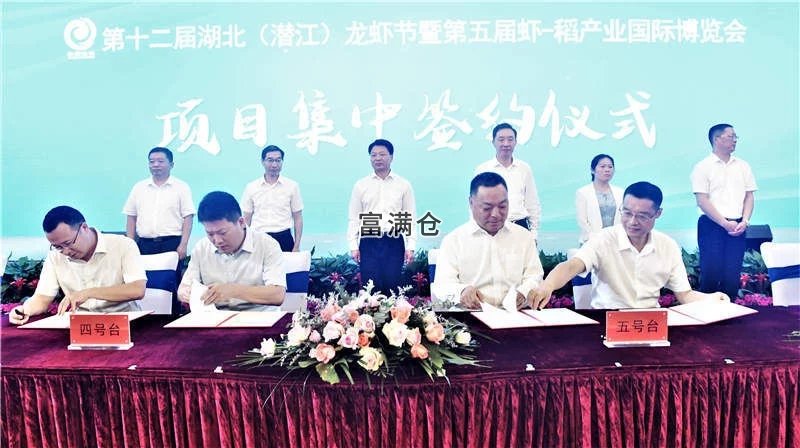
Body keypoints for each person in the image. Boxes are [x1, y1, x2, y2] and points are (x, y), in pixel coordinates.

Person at [529, 182, 730, 310]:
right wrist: (547, 286)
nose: (632, 222)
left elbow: (685, 295)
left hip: (650, 324)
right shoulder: (604, 239)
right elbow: (572, 266)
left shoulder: (667, 246)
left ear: (658, 213)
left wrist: (711, 299)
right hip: (607, 321)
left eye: (642, 216)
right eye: (626, 213)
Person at [9, 206, 147, 324]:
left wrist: (89, 293)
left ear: (84, 228)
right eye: (57, 246)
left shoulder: (123, 245)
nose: (65, 251)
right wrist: (24, 310)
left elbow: (137, 289)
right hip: (81, 327)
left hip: (125, 324)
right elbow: (43, 298)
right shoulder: (55, 256)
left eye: (68, 243)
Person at [431, 172, 543, 309]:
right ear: (471, 203)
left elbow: (535, 276)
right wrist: (462, 291)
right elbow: (442, 286)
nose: (495, 214)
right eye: (487, 208)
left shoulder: (523, 237)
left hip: (516, 314)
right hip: (471, 316)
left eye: (502, 206)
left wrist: (524, 291)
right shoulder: (454, 241)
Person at [177, 191, 286, 311]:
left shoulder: (267, 245)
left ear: (241, 222)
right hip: (215, 318)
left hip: (259, 317)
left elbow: (277, 295)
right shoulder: (201, 248)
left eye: (223, 233)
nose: (217, 240)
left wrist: (233, 290)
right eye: (210, 234)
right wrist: (185, 293)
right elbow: (184, 287)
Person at [691, 124, 757, 299]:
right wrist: (724, 223)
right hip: (711, 224)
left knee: (732, 272)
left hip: (738, 225)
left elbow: (749, 196)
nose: (735, 140)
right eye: (730, 136)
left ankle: (730, 309)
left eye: (735, 137)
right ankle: (707, 310)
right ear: (717, 139)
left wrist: (745, 221)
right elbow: (702, 200)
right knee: (711, 271)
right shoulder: (702, 167)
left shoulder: (743, 166)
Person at [347, 139, 416, 295]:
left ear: (391, 157)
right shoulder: (361, 185)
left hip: (394, 241)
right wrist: (353, 245)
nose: (377, 158)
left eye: (382, 154)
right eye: (373, 155)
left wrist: (410, 245)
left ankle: (394, 312)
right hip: (369, 241)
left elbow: (409, 217)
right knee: (370, 288)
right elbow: (354, 218)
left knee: (393, 286)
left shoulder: (403, 185)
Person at [123, 147, 195, 259]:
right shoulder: (139, 187)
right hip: (144, 244)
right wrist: (130, 245)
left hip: (172, 243)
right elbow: (131, 216)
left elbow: (188, 218)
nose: (156, 165)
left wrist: (183, 245)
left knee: (171, 271)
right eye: (152, 162)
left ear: (171, 165)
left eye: (160, 161)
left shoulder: (181, 187)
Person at [474, 123, 541, 239]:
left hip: (520, 226)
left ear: (515, 142)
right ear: (493, 142)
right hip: (491, 227)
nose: (506, 144)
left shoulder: (524, 168)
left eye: (510, 139)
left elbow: (532, 202)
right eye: (501, 140)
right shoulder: (483, 169)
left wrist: (534, 233)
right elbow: (475, 204)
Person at [241, 145, 304, 252]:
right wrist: (245, 244)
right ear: (262, 161)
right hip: (259, 237)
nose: (274, 164)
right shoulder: (251, 187)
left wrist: (297, 246)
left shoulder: (292, 186)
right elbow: (246, 219)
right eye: (270, 160)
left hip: (284, 237)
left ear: (282, 162)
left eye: (278, 160)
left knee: (285, 264)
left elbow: (298, 217)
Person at [575, 154, 624, 244]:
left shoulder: (620, 192)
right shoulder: (583, 192)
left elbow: (623, 217)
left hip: (615, 241)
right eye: (602, 166)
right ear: (592, 170)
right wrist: (595, 239)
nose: (607, 170)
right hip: (591, 242)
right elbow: (582, 221)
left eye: (610, 167)